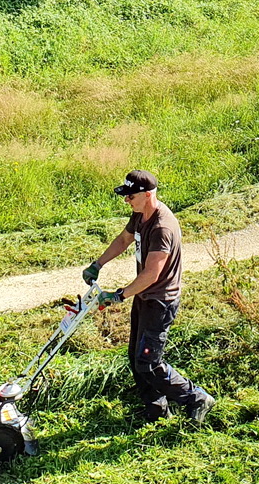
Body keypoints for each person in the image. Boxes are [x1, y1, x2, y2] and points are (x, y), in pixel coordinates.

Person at [82, 170, 214, 425]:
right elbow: (123, 239)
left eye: (130, 196)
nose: (126, 200)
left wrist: (119, 295)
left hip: (160, 301)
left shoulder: (162, 226)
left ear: (147, 195)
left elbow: (152, 273)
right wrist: (97, 264)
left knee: (149, 363)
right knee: (135, 357)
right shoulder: (141, 215)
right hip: (144, 297)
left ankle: (196, 398)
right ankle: (156, 410)